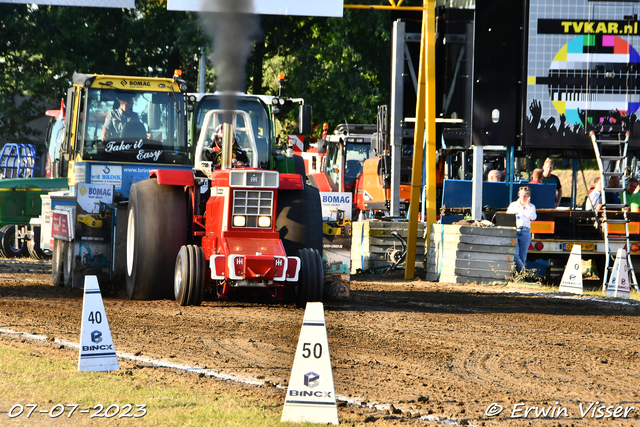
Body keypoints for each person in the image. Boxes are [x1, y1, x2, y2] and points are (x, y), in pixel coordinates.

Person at [507, 186, 537, 272]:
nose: (523, 198)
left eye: (525, 196)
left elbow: (533, 217)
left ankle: (519, 275)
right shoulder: (513, 205)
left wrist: (527, 206)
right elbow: (507, 217)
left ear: (528, 197)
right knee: (515, 255)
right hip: (515, 230)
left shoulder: (531, 206)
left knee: (522, 257)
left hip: (525, 231)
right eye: (521, 196)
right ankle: (524, 273)